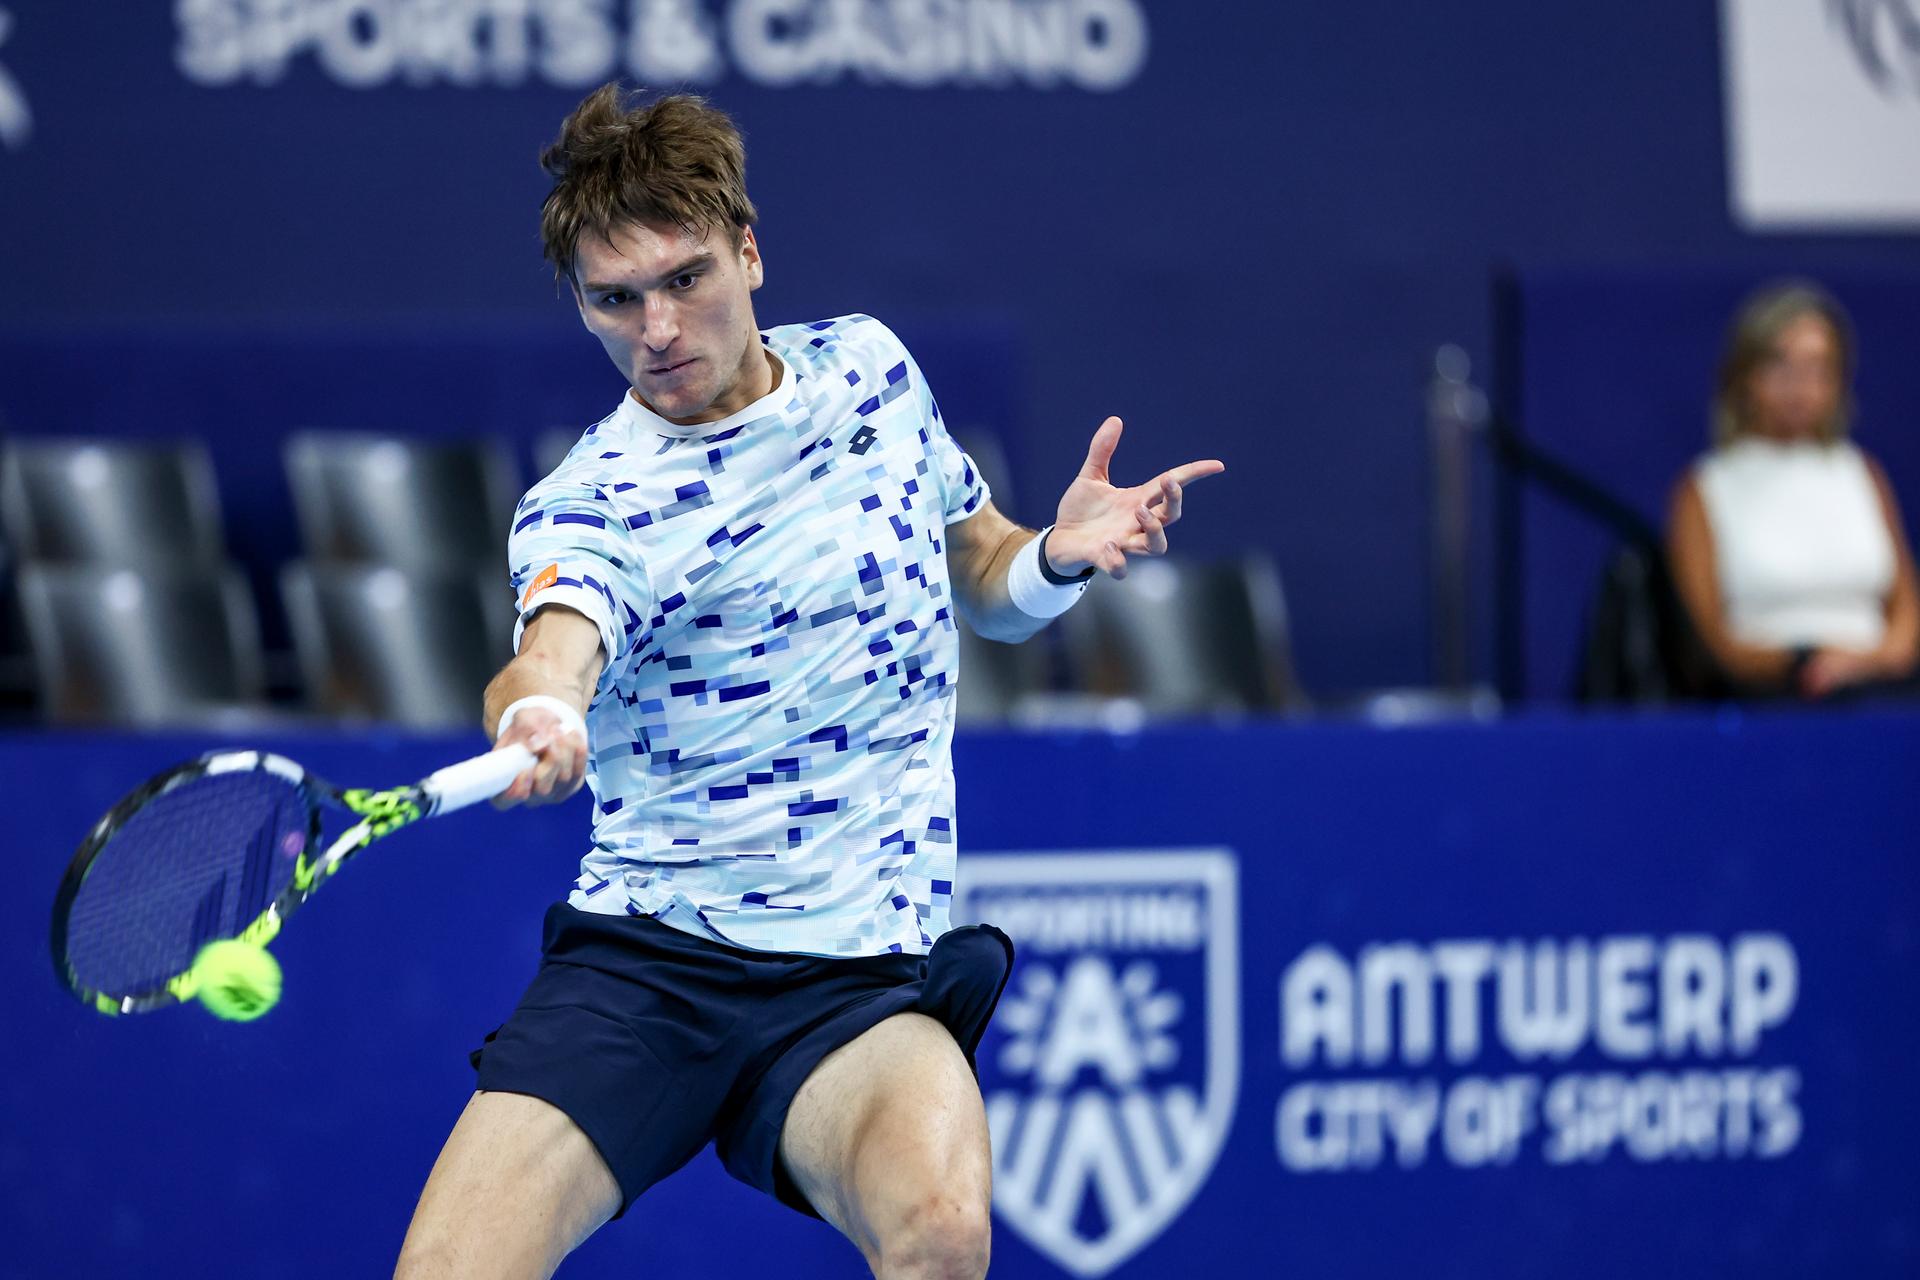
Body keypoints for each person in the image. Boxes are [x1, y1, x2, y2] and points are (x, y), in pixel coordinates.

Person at [393, 84, 1224, 1280]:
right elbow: (552, 643)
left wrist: (1050, 556)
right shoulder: (592, 500)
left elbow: (978, 566)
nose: (657, 327)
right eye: (614, 300)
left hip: (856, 978)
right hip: (650, 967)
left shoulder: (872, 373)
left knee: (941, 1230)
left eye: (685, 278)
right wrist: (538, 704)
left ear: (749, 249)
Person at [1667, 280, 1919, 702]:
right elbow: (1712, 641)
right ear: (1744, 376)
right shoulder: (1705, 488)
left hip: (1879, 692)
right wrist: (1807, 659)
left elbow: (1906, 613)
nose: (1800, 387)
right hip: (1769, 700)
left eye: (1818, 368)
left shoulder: (1863, 474)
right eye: (1782, 366)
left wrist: (1863, 661)